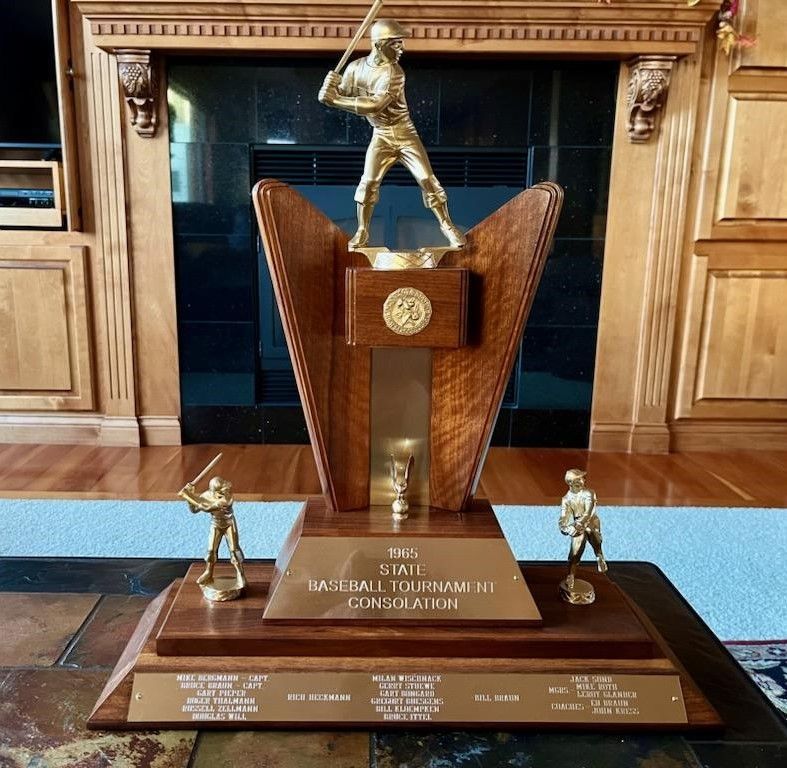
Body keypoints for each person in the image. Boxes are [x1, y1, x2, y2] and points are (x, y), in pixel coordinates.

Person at [318, 18, 465, 249]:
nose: (402, 49)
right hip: (381, 134)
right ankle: (363, 231)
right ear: (379, 45)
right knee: (368, 182)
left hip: (404, 133)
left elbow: (375, 105)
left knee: (427, 179)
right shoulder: (355, 68)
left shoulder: (394, 73)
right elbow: (344, 93)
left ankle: (447, 225)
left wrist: (335, 100)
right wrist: (331, 87)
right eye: (396, 44)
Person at [179, 476, 246, 589]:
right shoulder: (207, 495)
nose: (224, 492)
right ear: (213, 491)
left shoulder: (227, 498)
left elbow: (206, 507)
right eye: (220, 491)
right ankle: (208, 573)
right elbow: (194, 510)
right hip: (216, 524)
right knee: (211, 550)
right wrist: (189, 498)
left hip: (229, 524)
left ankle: (240, 574)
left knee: (234, 550)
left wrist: (187, 495)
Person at [559, 469, 607, 589]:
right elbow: (563, 517)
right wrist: (565, 528)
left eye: (583, 478)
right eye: (579, 479)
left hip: (591, 522)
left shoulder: (589, 493)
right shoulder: (566, 499)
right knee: (575, 552)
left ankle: (599, 555)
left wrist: (577, 525)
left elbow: (588, 513)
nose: (583, 480)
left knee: (595, 537)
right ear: (571, 483)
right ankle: (571, 575)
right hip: (577, 525)